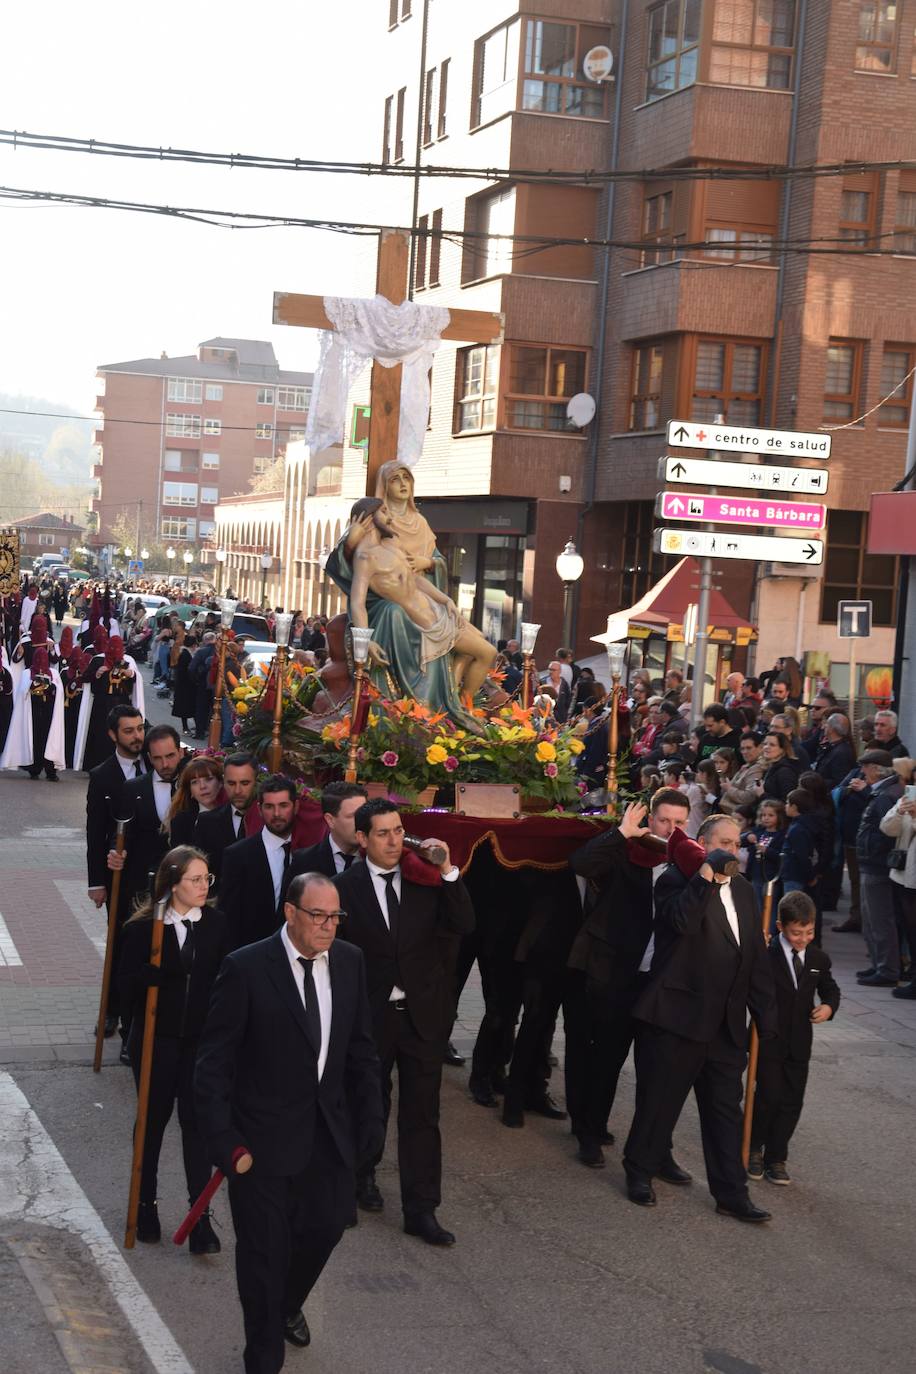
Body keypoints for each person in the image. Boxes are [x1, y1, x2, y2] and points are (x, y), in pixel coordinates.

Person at [194, 870, 384, 1372]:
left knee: (326, 1227)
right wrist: (226, 1143)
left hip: (328, 1136)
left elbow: (362, 1051)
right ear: (290, 913)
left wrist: (372, 1123)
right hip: (259, 1144)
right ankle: (263, 1353)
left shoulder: (350, 962)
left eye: (335, 916)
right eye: (317, 916)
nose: (328, 926)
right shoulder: (246, 968)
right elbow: (213, 1065)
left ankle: (284, 1305)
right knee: (263, 1255)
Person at [623, 813, 778, 1220]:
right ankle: (639, 1170)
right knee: (661, 1102)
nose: (732, 850)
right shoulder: (676, 880)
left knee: (726, 1111)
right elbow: (679, 923)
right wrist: (705, 878)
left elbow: (756, 960)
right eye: (722, 843)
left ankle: (732, 1193)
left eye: (736, 843)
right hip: (680, 1014)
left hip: (726, 1026)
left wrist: (767, 1017)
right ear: (703, 845)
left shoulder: (746, 892)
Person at [335, 798, 474, 1245]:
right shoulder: (343, 887)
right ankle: (359, 1182)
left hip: (422, 1017)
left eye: (398, 831)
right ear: (361, 839)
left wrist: (449, 869)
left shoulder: (426, 880)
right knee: (368, 1105)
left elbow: (465, 923)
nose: (394, 841)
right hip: (370, 1018)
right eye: (382, 833)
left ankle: (422, 1208)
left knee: (423, 1115)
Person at [565, 789, 694, 1174]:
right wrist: (621, 832)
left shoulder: (687, 863)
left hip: (661, 980)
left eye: (680, 824)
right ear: (649, 819)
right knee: (605, 1058)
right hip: (617, 973)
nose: (671, 831)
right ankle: (589, 1133)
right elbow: (581, 863)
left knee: (658, 1071)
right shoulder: (625, 853)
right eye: (664, 821)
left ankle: (657, 1150)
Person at [118, 846, 232, 1252]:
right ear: (172, 883)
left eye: (207, 879)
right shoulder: (144, 930)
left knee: (197, 1129)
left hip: (199, 1045)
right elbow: (120, 991)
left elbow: (226, 983)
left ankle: (198, 1217)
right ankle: (144, 1204)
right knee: (151, 1124)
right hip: (155, 1041)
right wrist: (141, 981)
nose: (204, 886)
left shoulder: (216, 925)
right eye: (196, 880)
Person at [747, 891, 840, 1186]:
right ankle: (754, 1148)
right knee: (768, 1096)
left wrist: (828, 1006)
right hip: (768, 1039)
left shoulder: (817, 959)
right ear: (780, 927)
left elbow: (830, 989)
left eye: (809, 932)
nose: (802, 938)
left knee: (792, 1101)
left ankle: (778, 1155)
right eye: (796, 932)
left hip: (800, 1041)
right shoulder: (766, 955)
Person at [222, 774, 301, 949]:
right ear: (259, 809)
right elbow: (228, 918)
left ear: (296, 807)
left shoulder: (306, 854)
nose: (277, 814)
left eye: (283, 805)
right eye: (269, 807)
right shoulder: (237, 856)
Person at [855, 752, 905, 986]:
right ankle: (879, 965)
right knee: (872, 919)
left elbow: (887, 832)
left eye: (865, 767)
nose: (863, 772)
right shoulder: (884, 792)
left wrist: (874, 853)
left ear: (876, 769)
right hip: (873, 863)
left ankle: (886, 970)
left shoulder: (886, 794)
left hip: (877, 865)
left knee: (879, 919)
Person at [0, 643, 65, 780]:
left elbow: (59, 692)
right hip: (33, 711)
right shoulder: (27, 673)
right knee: (34, 739)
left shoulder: (53, 673)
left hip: (49, 710)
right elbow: (22, 692)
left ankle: (50, 770)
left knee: (49, 739)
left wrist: (51, 685)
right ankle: (34, 769)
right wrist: (32, 684)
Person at [194, 751, 259, 888]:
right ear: (223, 782)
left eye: (245, 783)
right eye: (231, 783)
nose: (237, 790)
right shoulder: (207, 822)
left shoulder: (269, 821)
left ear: (256, 782)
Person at [879, 762, 916, 1000]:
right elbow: (887, 828)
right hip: (903, 873)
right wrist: (900, 811)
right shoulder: (907, 799)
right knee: (907, 926)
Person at [288, 781, 368, 880]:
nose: (362, 822)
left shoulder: (376, 858)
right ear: (330, 820)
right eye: (352, 816)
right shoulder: (304, 862)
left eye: (364, 815)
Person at [166, 754, 226, 847]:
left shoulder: (233, 814)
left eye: (208, 779)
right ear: (190, 791)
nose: (202, 786)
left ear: (220, 783)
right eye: (195, 782)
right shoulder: (180, 822)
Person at [742, 799, 787, 912]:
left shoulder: (781, 835)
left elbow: (781, 856)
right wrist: (747, 837)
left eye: (770, 815)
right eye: (763, 815)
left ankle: (769, 929)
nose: (766, 818)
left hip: (771, 877)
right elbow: (741, 840)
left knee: (769, 908)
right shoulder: (758, 831)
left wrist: (767, 851)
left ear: (779, 816)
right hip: (756, 875)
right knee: (756, 906)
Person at [719, 734, 764, 816]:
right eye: (742, 749)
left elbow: (749, 797)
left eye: (749, 748)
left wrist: (729, 788)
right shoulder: (747, 766)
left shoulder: (757, 768)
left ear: (760, 748)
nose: (745, 752)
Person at [757, 731, 804, 802]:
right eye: (765, 744)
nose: (766, 747)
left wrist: (762, 795)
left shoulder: (785, 772)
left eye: (772, 745)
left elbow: (786, 802)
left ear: (782, 749)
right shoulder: (770, 766)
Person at [811, 713, 856, 787]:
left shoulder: (841, 753)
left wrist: (817, 782)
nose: (823, 727)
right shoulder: (833, 747)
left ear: (832, 729)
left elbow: (839, 781)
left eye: (827, 724)